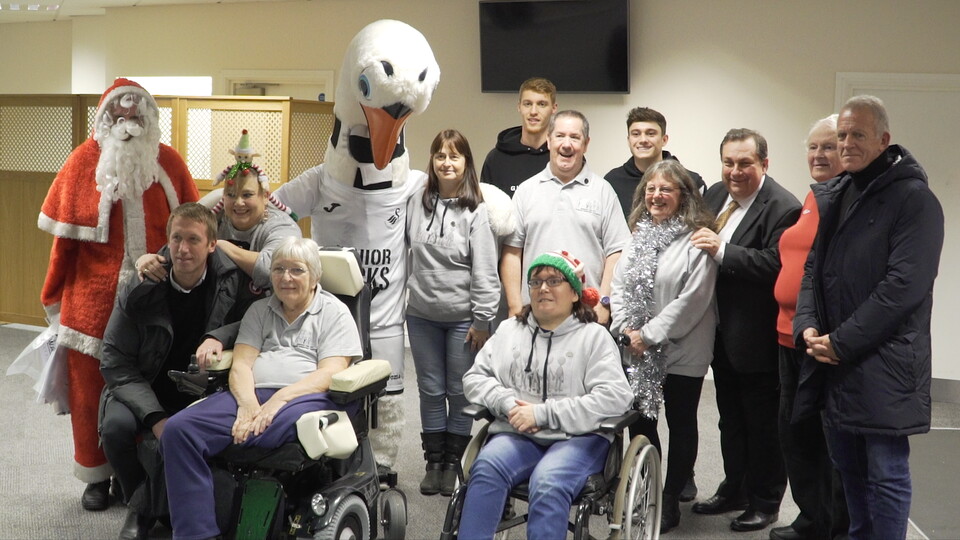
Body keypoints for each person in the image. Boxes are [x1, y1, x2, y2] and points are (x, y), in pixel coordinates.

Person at [37, 78, 197, 510]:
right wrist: (52, 297)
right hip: (91, 305)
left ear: (149, 119)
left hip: (156, 301)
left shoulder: (169, 162)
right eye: (119, 115)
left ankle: (137, 472)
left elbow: (193, 227)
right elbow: (64, 244)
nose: (127, 123)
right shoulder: (82, 162)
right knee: (89, 394)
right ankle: (95, 474)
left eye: (135, 115)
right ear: (105, 119)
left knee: (151, 386)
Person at [795, 95, 944, 540]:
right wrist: (809, 325)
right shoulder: (839, 194)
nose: (846, 144)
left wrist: (841, 342)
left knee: (886, 474)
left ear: (884, 139)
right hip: (835, 361)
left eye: (857, 134)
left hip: (885, 363)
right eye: (842, 135)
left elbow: (903, 288)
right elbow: (813, 269)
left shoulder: (915, 200)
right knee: (848, 470)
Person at [161, 236, 364, 540]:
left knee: (266, 428)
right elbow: (242, 365)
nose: (285, 277)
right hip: (252, 395)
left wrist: (279, 400)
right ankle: (196, 533)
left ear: (315, 277)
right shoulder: (259, 310)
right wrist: (248, 405)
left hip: (309, 396)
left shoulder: (334, 312)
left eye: (296, 270)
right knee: (178, 430)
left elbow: (331, 372)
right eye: (278, 269)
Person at [99, 203, 251, 539]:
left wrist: (219, 336)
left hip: (201, 390)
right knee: (115, 428)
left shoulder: (231, 280)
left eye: (193, 239)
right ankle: (140, 504)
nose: (183, 249)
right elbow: (113, 360)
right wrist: (155, 417)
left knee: (192, 434)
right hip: (143, 385)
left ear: (212, 244)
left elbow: (256, 320)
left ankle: (154, 507)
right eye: (176, 238)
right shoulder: (141, 284)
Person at [459, 251, 633, 540]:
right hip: (517, 433)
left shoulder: (594, 337)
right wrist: (506, 403)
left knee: (549, 481)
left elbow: (615, 397)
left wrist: (543, 414)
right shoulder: (509, 331)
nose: (543, 288)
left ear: (574, 293)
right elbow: (474, 378)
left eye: (554, 281)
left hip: (579, 437)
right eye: (536, 281)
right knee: (487, 467)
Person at [690, 128, 800, 532]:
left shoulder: (783, 207)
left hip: (757, 336)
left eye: (744, 163)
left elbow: (776, 265)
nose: (735, 171)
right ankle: (734, 488)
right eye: (728, 163)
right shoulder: (717, 194)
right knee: (730, 419)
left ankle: (765, 501)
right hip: (720, 331)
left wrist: (722, 251)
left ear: (764, 164)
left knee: (763, 424)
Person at [610, 159, 717, 533]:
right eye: (651, 189)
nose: (657, 196)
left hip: (683, 350)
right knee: (641, 421)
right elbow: (618, 287)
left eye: (666, 189)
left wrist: (648, 335)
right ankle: (648, 484)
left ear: (683, 196)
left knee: (682, 422)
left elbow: (693, 301)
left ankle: (670, 498)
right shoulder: (637, 237)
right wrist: (626, 329)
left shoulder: (696, 239)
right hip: (637, 349)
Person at [406, 129, 501, 496]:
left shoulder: (476, 211)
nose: (446, 163)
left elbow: (485, 269)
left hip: (464, 320)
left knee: (460, 391)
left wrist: (482, 320)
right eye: (440, 156)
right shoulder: (416, 203)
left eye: (454, 156)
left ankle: (454, 463)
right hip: (421, 315)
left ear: (466, 163)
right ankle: (434, 463)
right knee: (430, 390)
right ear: (432, 161)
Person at [770, 115, 849, 540]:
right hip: (788, 335)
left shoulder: (848, 200)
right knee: (795, 434)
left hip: (820, 341)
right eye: (814, 147)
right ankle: (810, 518)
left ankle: (834, 525)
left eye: (829, 147)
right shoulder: (813, 196)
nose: (819, 155)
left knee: (826, 439)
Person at [137, 132, 301, 312]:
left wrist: (221, 245)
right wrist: (147, 260)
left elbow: (273, 270)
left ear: (265, 197)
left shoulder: (282, 226)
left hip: (264, 312)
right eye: (231, 195)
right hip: (216, 307)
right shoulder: (216, 213)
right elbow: (180, 240)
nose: (238, 203)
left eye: (247, 195)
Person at [501, 110, 631, 327]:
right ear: (549, 141)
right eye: (560, 136)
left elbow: (617, 252)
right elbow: (512, 252)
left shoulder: (603, 191)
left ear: (586, 144)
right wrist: (515, 306)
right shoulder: (526, 191)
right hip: (535, 314)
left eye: (575, 137)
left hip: (587, 315)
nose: (567, 144)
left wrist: (605, 302)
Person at [605, 107, 706, 220]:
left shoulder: (691, 181)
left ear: (664, 140)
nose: (643, 140)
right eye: (636, 134)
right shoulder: (611, 182)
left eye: (651, 134)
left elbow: (702, 223)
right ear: (629, 140)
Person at [480, 77, 558, 197]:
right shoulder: (496, 159)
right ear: (519, 107)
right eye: (528, 104)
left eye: (541, 104)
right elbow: (486, 204)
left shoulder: (564, 156)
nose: (533, 111)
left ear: (554, 108)